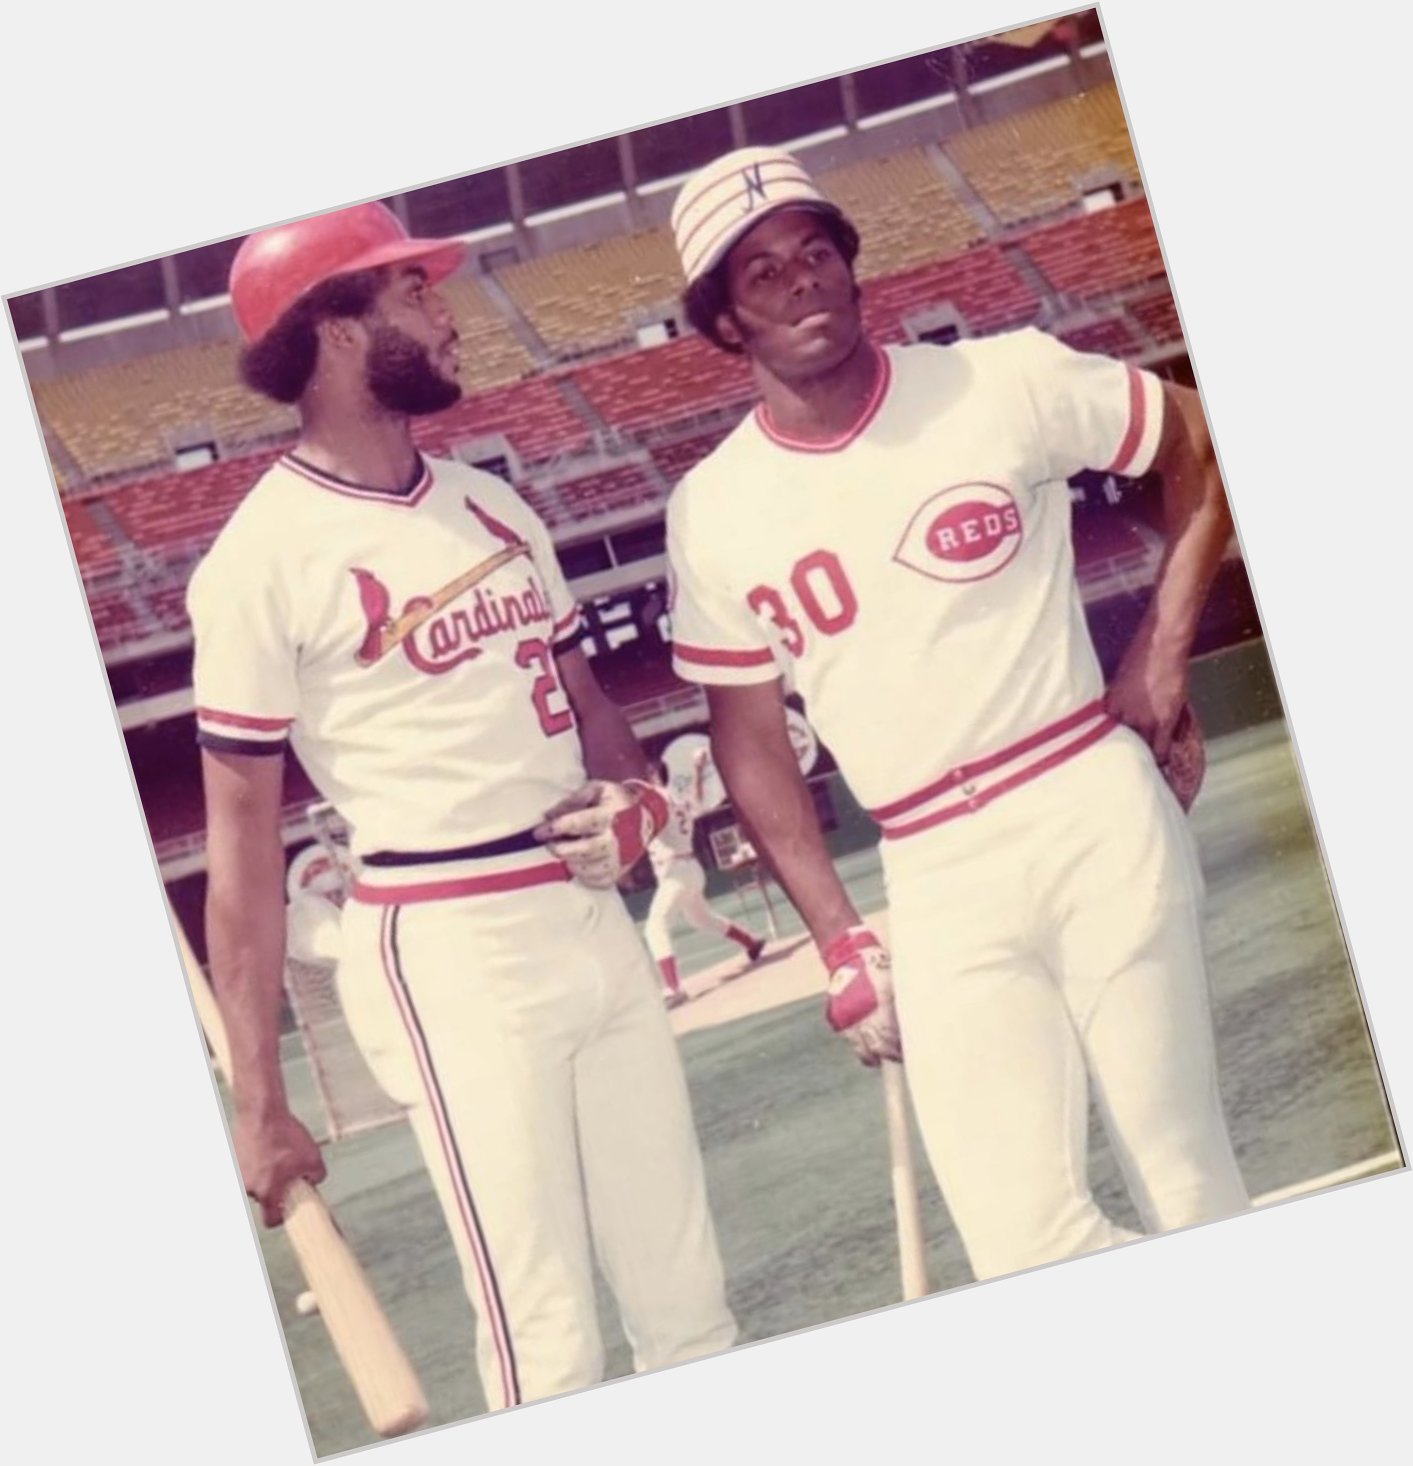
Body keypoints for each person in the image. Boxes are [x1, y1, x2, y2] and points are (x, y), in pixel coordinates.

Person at [663, 146, 1250, 1283]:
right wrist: (840, 933)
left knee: (1183, 1178)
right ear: (724, 322)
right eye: (762, 273)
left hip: (1086, 797)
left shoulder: (1003, 379)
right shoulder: (713, 507)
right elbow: (749, 744)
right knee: (1020, 1240)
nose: (800, 281)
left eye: (815, 251)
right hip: (929, 863)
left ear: (850, 263)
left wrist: (1162, 658)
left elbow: (1201, 439)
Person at [189, 201, 736, 1412]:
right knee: (548, 1348)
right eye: (412, 292)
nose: (448, 310)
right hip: (450, 944)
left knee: (691, 1307)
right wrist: (259, 1103)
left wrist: (639, 796)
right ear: (334, 330)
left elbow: (586, 698)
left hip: (591, 915)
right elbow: (237, 861)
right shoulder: (258, 561)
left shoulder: (493, 505)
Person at [643, 748, 765, 1008]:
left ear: (654, 774)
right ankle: (751, 942)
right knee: (701, 918)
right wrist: (697, 770)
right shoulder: (678, 799)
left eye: (647, 773)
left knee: (655, 926)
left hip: (676, 871)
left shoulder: (655, 801)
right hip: (690, 868)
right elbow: (698, 801)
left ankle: (673, 988)